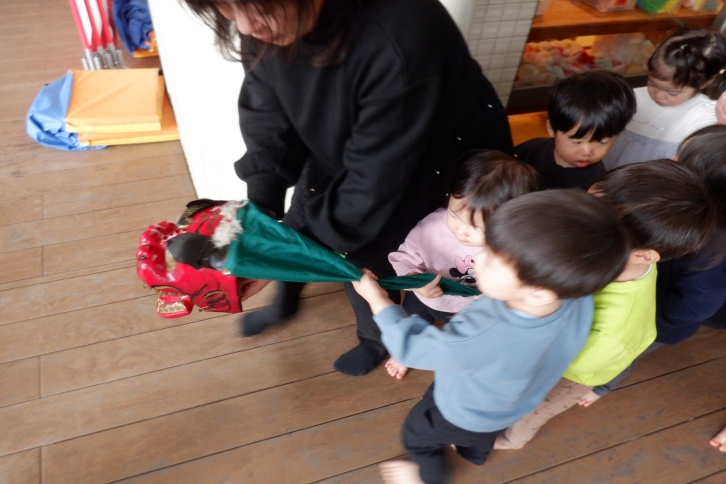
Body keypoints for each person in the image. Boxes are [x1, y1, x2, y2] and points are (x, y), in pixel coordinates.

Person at [181, 0, 514, 376]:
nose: (244, 26)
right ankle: (286, 301)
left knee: (371, 261)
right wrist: (262, 208)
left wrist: (283, 253)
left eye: (258, 7)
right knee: (300, 220)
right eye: (226, 8)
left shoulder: (400, 32)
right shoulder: (271, 20)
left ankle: (379, 339)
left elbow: (373, 182)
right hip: (355, 150)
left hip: (430, 163)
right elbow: (266, 107)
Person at [353, 189, 631, 484]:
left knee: (417, 436)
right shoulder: (578, 295)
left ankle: (425, 477)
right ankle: (475, 453)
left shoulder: (485, 332)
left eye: (494, 260)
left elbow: (410, 349)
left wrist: (377, 300)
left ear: (538, 292)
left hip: (462, 410)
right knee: (480, 434)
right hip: (512, 402)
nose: (479, 257)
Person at [494, 160, 717, 449]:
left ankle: (511, 440)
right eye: (585, 203)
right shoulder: (624, 257)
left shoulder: (616, 326)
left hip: (572, 375)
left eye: (592, 228)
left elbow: (572, 361)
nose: (576, 222)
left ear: (644, 255)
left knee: (534, 411)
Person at [581, 125, 726, 400]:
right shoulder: (660, 211)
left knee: (628, 351)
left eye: (680, 163)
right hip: (639, 282)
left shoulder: (711, 258)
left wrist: (641, 311)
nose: (669, 162)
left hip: (657, 321)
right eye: (676, 155)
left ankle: (602, 385)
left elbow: (693, 306)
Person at [385, 150, 540, 379]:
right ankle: (404, 353)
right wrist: (415, 280)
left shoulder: (510, 248)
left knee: (459, 343)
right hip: (423, 299)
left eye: (477, 227)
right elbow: (403, 257)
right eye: (455, 215)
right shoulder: (430, 228)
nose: (461, 231)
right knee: (410, 327)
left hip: (468, 309)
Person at [603, 28, 726, 170]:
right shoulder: (630, 97)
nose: (659, 95)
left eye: (672, 93)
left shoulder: (706, 117)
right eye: (652, 84)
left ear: (706, 82)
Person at [514, 70, 635, 190]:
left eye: (601, 142)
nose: (586, 152)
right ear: (551, 129)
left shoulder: (594, 186)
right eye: (577, 141)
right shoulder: (530, 150)